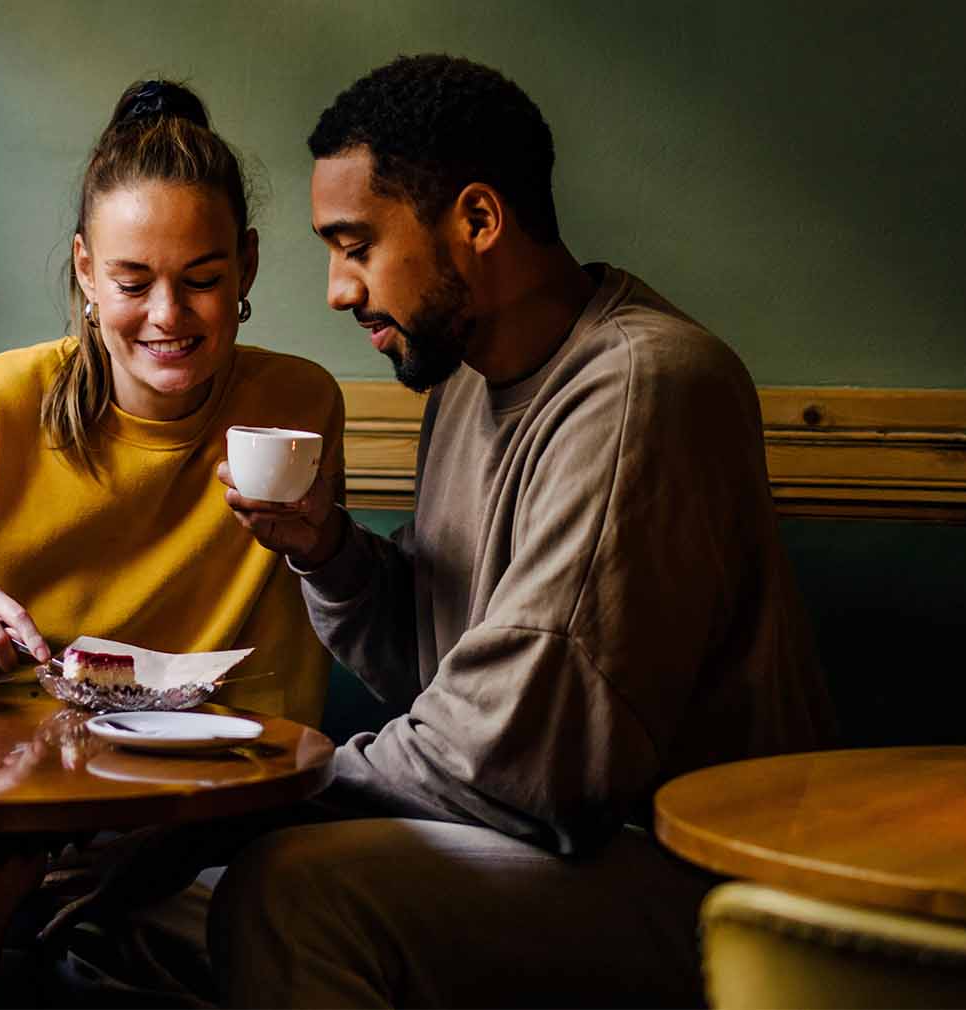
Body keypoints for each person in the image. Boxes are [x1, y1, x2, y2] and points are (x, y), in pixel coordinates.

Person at [195, 54, 834, 1006]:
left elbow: (517, 756)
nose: (336, 288)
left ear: (479, 221)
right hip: (535, 847)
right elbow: (445, 665)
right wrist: (325, 551)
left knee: (292, 895)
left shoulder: (642, 387)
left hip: (698, 883)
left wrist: (248, 802)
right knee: (151, 913)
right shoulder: (460, 381)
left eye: (356, 244)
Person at [0, 80, 343, 725]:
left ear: (246, 265)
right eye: (132, 282)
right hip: (9, 793)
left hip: (223, 792)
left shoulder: (298, 407)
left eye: (204, 280)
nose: (167, 315)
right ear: (85, 269)